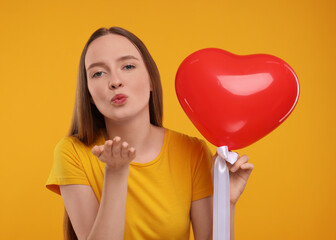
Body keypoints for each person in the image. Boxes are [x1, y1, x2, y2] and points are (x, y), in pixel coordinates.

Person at [46, 27, 254, 240]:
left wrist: (224, 202)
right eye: (98, 73)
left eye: (128, 66)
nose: (115, 81)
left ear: (152, 80)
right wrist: (116, 173)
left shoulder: (192, 152)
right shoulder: (72, 152)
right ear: (88, 93)